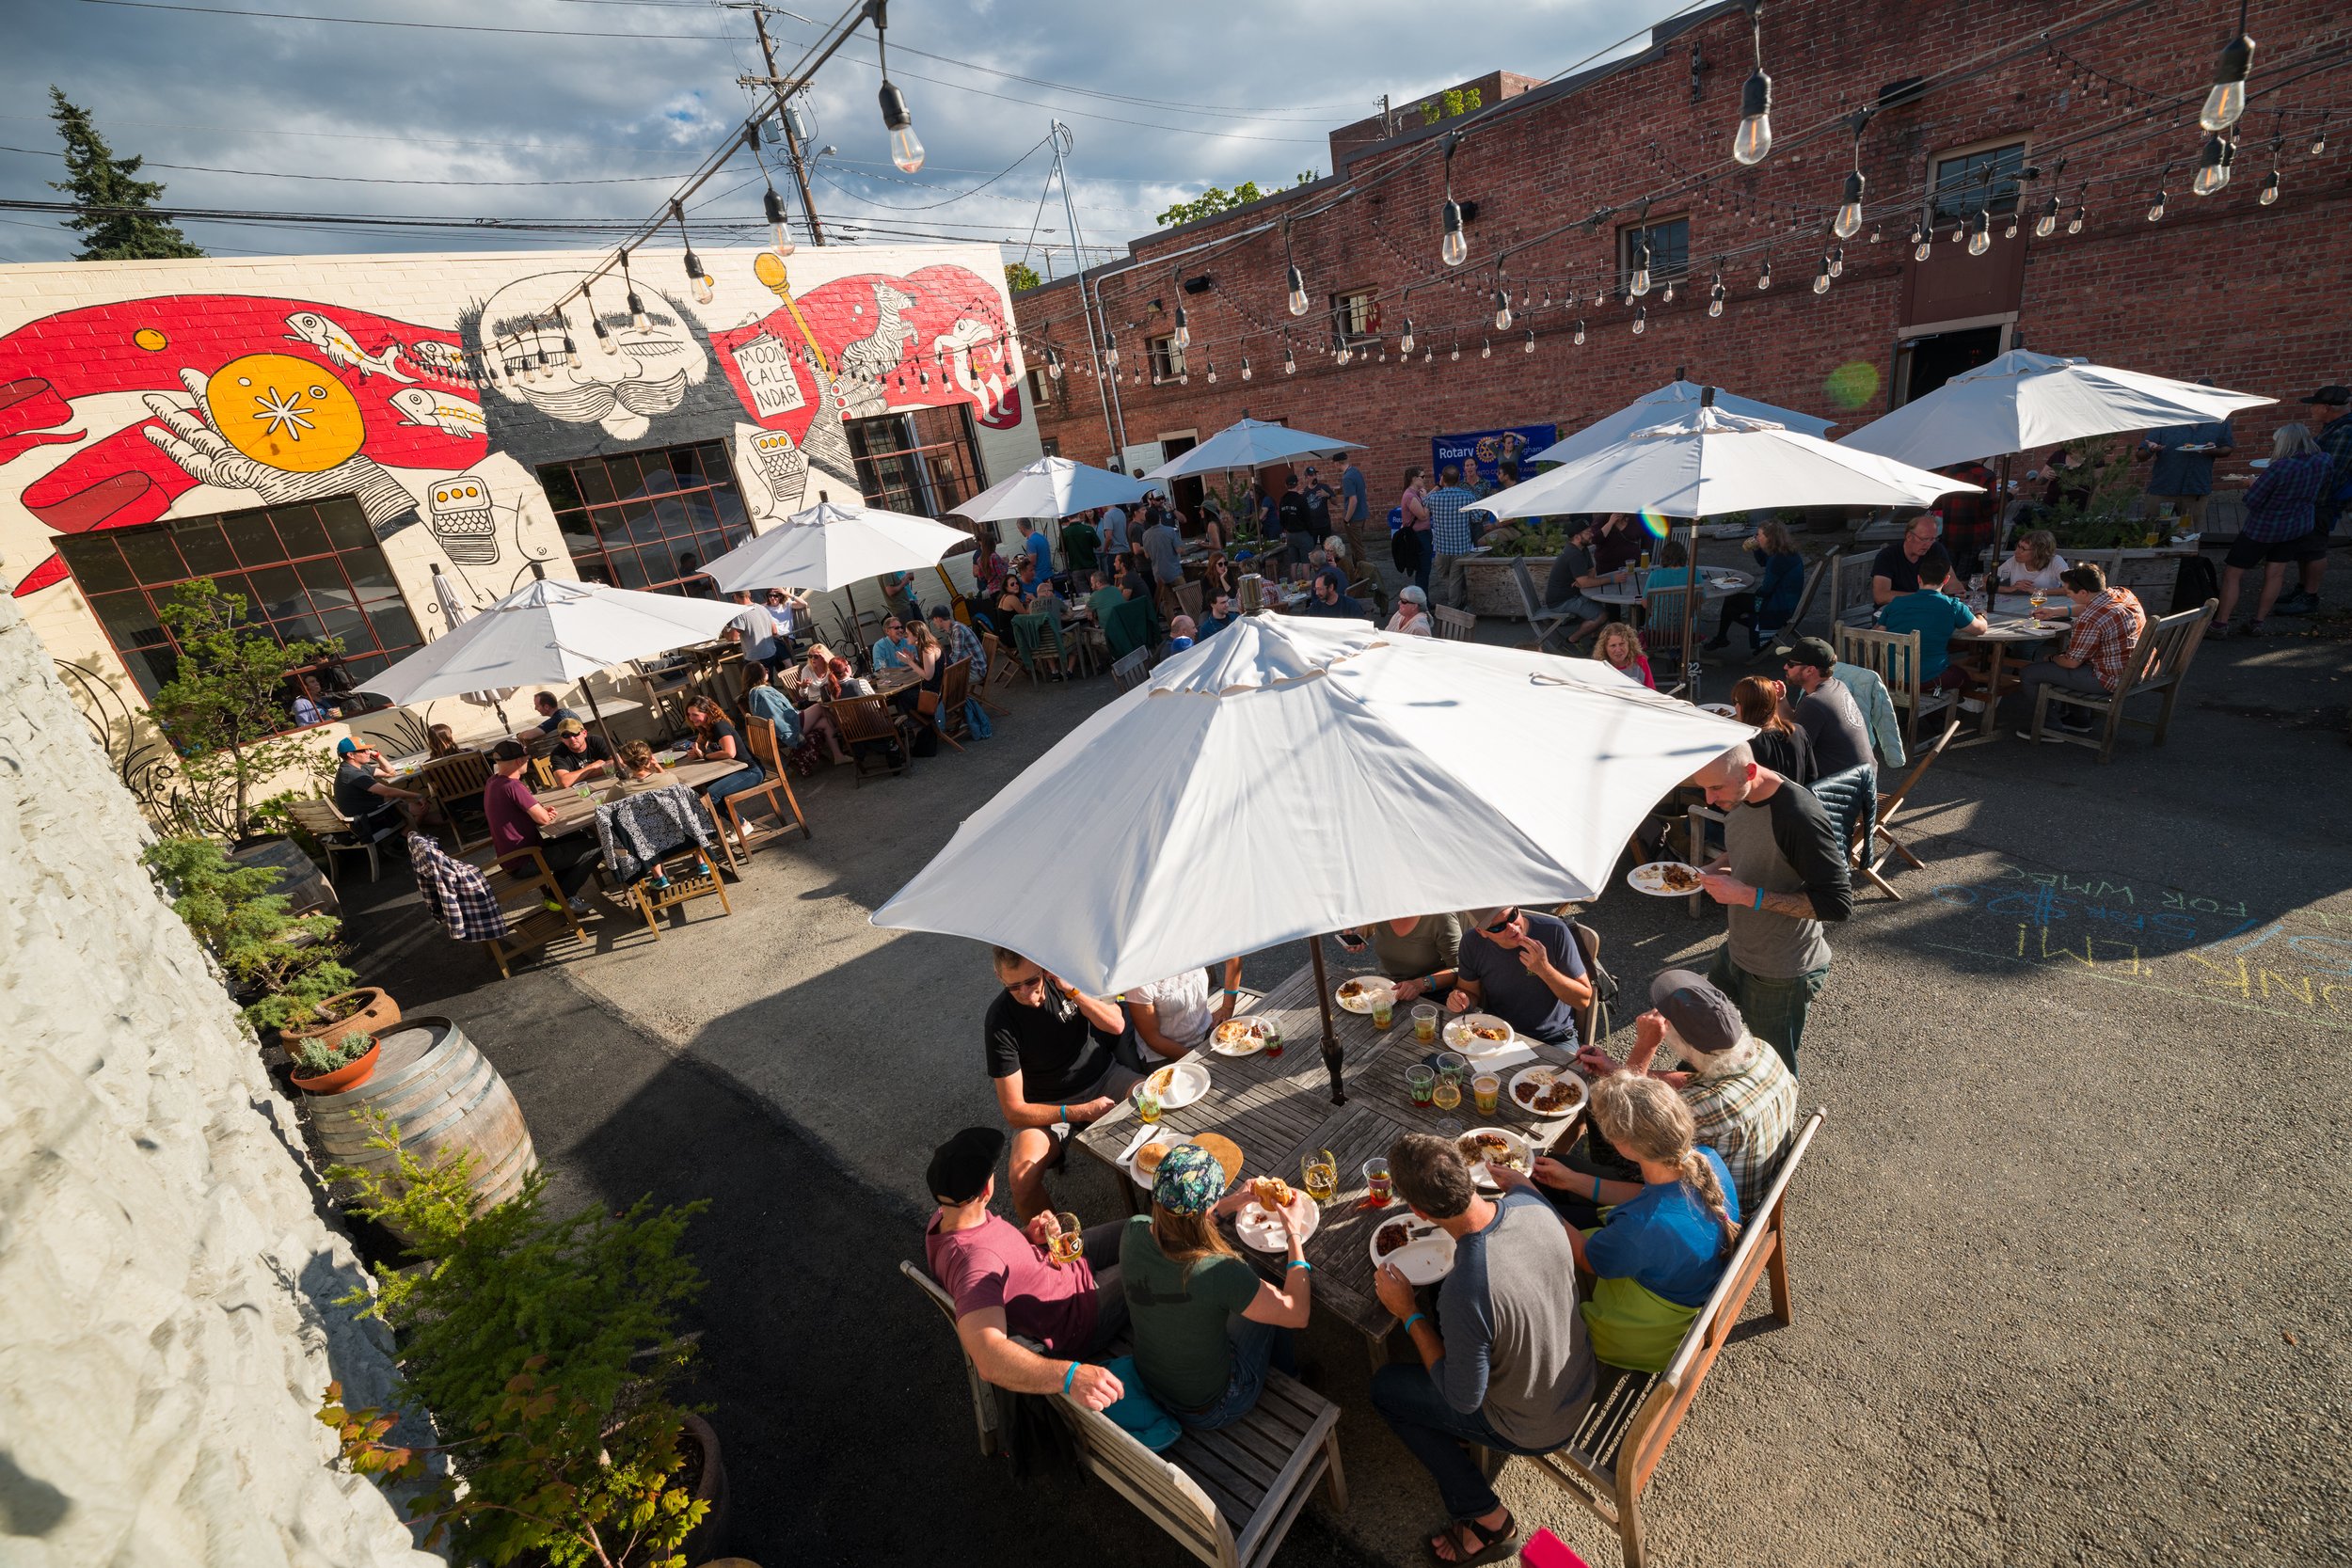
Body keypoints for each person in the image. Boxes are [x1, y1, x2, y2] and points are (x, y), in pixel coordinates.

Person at [1370, 1132, 1593, 1566]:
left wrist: (1408, 1313)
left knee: (1386, 1389)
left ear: (1416, 1211)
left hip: (1533, 1425)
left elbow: (1463, 1397)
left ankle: (1487, 1518)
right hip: (1578, 1378)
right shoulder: (1532, 1206)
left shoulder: (1466, 1289)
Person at [922, 1126, 1129, 1413]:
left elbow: (997, 1256)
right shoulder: (977, 1264)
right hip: (1079, 1313)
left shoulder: (944, 1217)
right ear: (986, 1189)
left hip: (1060, 1261)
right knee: (1154, 1252)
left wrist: (1027, 1237)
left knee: (1138, 1227)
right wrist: (1069, 1376)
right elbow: (988, 1357)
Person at [1561, 971, 1797, 1217]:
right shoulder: (1763, 1050)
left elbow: (1625, 1117)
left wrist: (1644, 1047)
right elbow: (1692, 1080)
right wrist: (1619, 1069)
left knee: (1593, 1122)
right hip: (1756, 1183)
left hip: (1712, 1211)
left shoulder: (1700, 1105)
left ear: (1684, 1047)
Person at [1550, 1074, 1740, 1374]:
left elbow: (1589, 1259)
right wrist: (1573, 1181)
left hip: (1630, 1335)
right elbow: (1646, 1195)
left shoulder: (1641, 1227)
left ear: (1624, 1145)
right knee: (1567, 1187)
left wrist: (1533, 1200)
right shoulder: (1706, 1160)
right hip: (1680, 1298)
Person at [1124, 1140, 1312, 1431]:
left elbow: (1186, 1221)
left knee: (1243, 1294)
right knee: (1272, 1275)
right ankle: (1291, 1375)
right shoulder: (1218, 1271)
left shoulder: (1134, 1229)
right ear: (1206, 1206)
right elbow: (1297, 1312)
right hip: (1213, 1406)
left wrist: (1236, 1202)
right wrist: (1294, 1233)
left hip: (1153, 1380)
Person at [1687, 741, 1851, 1069]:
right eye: (1703, 788)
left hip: (1782, 969)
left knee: (1773, 1069)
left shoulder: (1797, 815)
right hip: (1739, 949)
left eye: (1716, 788)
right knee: (1703, 1035)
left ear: (1750, 771)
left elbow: (1837, 903)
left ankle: (1781, 1121)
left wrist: (1747, 895)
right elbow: (1747, 845)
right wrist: (1708, 870)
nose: (1709, 799)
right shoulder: (1741, 793)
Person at [984, 947, 1140, 1219]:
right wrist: (1078, 1112)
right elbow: (1014, 1111)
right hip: (1049, 1105)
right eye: (1014, 986)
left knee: (1153, 1096)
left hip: (1102, 1076)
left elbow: (1116, 1025)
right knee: (1021, 1178)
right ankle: (1055, 1249)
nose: (1026, 993)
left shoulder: (1066, 982)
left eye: (1032, 981)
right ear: (999, 976)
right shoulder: (999, 1021)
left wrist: (1075, 992)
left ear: (1044, 968)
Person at [2215, 423, 2332, 637]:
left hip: (2264, 529)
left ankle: (2221, 624)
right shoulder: (2323, 460)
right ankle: (2258, 622)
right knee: (2275, 574)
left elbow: (2253, 501)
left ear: (2285, 443)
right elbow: (2323, 487)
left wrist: (2252, 484)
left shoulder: (2278, 468)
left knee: (2233, 573)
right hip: (2297, 526)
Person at [2012, 563, 2148, 736]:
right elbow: (2089, 606)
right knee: (2081, 659)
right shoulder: (2121, 593)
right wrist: (2055, 611)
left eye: (2068, 592)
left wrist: (2052, 658)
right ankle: (2079, 720)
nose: (2067, 595)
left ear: (2083, 592)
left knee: (2030, 673)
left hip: (2112, 680)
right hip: (2139, 669)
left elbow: (2071, 663)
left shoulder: (2090, 619)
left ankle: (2048, 727)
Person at [1447, 905, 1592, 1047]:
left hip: (1553, 1038)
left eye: (1512, 916)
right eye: (1498, 927)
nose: (1511, 927)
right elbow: (1469, 993)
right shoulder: (1472, 942)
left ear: (1517, 907)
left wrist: (1545, 970)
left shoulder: (1555, 931)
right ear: (1482, 932)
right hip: (1496, 1033)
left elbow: (1583, 1001)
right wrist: (1462, 1001)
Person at [482, 737, 598, 911]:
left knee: (580, 836)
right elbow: (543, 819)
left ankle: (557, 894)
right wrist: (542, 813)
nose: (527, 761)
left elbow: (530, 811)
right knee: (597, 846)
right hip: (526, 858)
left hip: (513, 856)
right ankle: (562, 897)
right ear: (518, 761)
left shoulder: (494, 781)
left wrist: (540, 811)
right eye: (526, 758)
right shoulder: (512, 785)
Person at [2279, 384, 2352, 615]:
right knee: (2305, 546)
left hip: (2323, 501)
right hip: (2311, 499)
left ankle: (2310, 596)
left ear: (2327, 407)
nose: (2311, 409)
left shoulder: (2345, 432)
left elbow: (2333, 472)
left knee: (2315, 548)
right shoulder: (2332, 427)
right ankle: (2302, 589)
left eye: (2314, 405)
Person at [1876, 562, 1987, 693]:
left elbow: (1877, 633)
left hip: (1888, 678)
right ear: (1946, 580)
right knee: (1962, 676)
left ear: (1918, 579)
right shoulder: (1953, 606)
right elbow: (1980, 629)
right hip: (1925, 682)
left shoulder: (1896, 603)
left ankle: (1933, 709)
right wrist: (1980, 614)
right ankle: (1942, 708)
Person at [1774, 636, 1874, 777]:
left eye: (1791, 664)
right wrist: (1781, 700)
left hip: (1844, 789)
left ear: (1810, 670)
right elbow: (1796, 729)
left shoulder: (1815, 702)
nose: (1785, 666)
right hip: (1863, 780)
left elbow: (1791, 752)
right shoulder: (1835, 685)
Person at [1708, 517, 1805, 656]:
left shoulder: (1778, 560)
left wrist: (1756, 596)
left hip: (1778, 606)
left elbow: (1766, 589)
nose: (1756, 538)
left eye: (1759, 535)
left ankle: (1752, 635)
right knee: (1733, 604)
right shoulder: (1786, 553)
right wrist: (1756, 548)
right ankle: (1723, 637)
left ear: (1770, 538)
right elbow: (1763, 562)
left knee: (1732, 601)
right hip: (1786, 601)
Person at [2139, 388, 2233, 529]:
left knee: (2188, 535)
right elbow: (2140, 456)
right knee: (2152, 532)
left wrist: (2213, 451)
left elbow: (2228, 448)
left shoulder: (2219, 423)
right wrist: (2150, 449)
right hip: (2163, 489)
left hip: (2196, 490)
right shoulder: (2166, 420)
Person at [683, 696, 766, 846]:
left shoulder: (719, 726)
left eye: (695, 714)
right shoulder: (705, 726)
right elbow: (700, 744)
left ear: (707, 712)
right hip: (735, 770)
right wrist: (697, 751)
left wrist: (705, 756)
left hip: (751, 771)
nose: (691, 718)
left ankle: (742, 825)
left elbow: (730, 753)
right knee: (699, 790)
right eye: (689, 714)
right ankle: (719, 829)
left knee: (711, 795)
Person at [1125, 958, 1245, 1059]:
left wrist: (1227, 1007)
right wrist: (1195, 1059)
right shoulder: (1139, 978)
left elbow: (1233, 957)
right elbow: (1153, 1039)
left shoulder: (1192, 942)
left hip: (1208, 1031)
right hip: (1167, 1055)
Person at [1337, 913, 1460, 1002]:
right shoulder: (1381, 907)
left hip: (1430, 997)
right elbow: (1367, 928)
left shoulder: (1441, 917)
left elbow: (1459, 969)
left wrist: (1421, 984)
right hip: (1384, 988)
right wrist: (1356, 938)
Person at [331, 737, 428, 839]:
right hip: (367, 820)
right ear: (351, 755)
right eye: (364, 750)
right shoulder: (352, 773)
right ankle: (402, 841)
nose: (368, 752)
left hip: (372, 811)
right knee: (420, 810)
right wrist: (418, 795)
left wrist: (377, 755)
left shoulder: (358, 767)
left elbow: (390, 772)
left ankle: (405, 838)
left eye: (368, 749)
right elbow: (387, 792)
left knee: (413, 808)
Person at [1539, 518, 1610, 648]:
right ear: (1577, 537)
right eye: (1588, 532)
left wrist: (1583, 582)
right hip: (1561, 601)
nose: (1592, 535)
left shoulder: (1582, 549)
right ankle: (1572, 640)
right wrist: (1611, 579)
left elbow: (1591, 571)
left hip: (1572, 594)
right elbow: (1585, 582)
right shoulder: (1574, 554)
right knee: (1601, 616)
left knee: (1597, 602)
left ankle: (1595, 637)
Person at [1929, 460, 2001, 586]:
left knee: (1947, 578)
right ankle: (1959, 604)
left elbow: (1935, 503)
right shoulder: (1985, 475)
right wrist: (2008, 496)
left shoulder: (1947, 472)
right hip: (1974, 537)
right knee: (1965, 582)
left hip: (1950, 535)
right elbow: (1990, 509)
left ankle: (1947, 602)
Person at [1729, 675, 1813, 784]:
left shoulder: (1745, 744)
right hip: (1798, 797)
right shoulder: (1798, 731)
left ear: (1744, 706)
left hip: (1764, 800)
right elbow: (1811, 775)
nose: (1735, 706)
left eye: (1736, 701)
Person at [1425, 465, 1481, 610]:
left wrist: (1439, 485)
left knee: (1445, 576)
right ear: (1459, 479)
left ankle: (1453, 605)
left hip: (1441, 548)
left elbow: (1423, 501)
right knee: (1455, 579)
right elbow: (1476, 519)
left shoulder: (1433, 498)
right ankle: (1454, 607)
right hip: (1461, 547)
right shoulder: (1468, 497)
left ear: (1442, 478)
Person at [1870, 515, 1955, 605]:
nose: (1928, 544)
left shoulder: (1936, 549)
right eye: (1924, 539)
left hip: (1927, 607)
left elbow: (1952, 581)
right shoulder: (1888, 556)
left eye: (1932, 539)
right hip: (1896, 610)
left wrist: (1955, 594)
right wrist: (1922, 597)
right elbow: (1881, 596)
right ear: (1909, 536)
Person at [739, 664, 803, 749]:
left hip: (790, 721)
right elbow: (776, 718)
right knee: (819, 708)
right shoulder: (762, 694)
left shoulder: (757, 692)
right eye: (764, 669)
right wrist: (791, 736)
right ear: (757, 674)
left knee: (823, 721)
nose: (767, 671)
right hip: (791, 726)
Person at [1995, 530, 2070, 596]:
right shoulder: (2014, 561)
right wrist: (2009, 589)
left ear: (2038, 552)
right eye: (2018, 546)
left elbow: (2072, 587)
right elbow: (1985, 584)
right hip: (2015, 605)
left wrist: (2038, 591)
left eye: (2023, 549)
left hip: (2047, 606)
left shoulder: (2055, 561)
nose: (2016, 552)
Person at [545, 718, 616, 786]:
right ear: (561, 739)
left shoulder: (597, 741)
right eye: (566, 735)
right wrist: (592, 766)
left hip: (607, 782)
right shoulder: (558, 754)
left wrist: (577, 777)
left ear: (584, 733)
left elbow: (618, 763)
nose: (572, 739)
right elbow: (564, 782)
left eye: (575, 733)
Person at [928, 603, 987, 683]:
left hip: (976, 671)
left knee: (944, 681)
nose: (933, 622)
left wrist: (944, 669)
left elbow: (956, 655)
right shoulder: (952, 629)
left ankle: (964, 696)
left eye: (933, 619)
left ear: (939, 619)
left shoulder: (957, 629)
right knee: (942, 677)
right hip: (971, 667)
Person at [723, 592, 780, 674]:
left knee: (756, 685)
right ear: (749, 594)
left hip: (755, 658)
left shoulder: (740, 614)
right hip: (770, 653)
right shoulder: (762, 608)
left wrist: (724, 630)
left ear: (736, 597)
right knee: (768, 682)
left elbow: (733, 637)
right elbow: (774, 631)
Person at [1590, 622, 1654, 689]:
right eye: (1613, 646)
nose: (1618, 650)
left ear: (1629, 644)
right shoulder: (1599, 666)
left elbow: (1652, 691)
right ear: (1604, 648)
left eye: (1622, 644)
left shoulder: (1640, 661)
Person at [1143, 509, 1185, 606]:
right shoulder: (1170, 531)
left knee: (1168, 604)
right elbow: (1179, 549)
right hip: (1174, 571)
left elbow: (1147, 555)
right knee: (1185, 599)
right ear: (1159, 517)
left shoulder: (1145, 535)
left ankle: (1171, 621)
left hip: (1159, 575)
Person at [1399, 467, 1433, 592]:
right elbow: (1423, 516)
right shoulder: (1409, 495)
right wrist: (1426, 500)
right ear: (1414, 479)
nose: (1425, 479)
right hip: (1418, 536)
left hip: (1423, 534)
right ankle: (1422, 603)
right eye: (1422, 477)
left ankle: (1424, 600)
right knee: (1423, 570)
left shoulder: (1416, 493)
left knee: (1425, 569)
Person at [602, 738, 671, 799]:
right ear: (651, 757)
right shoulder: (669, 778)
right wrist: (657, 766)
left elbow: (604, 810)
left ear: (625, 762)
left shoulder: (620, 789)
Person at [1588, 512, 1646, 577]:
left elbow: (1639, 535)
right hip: (1608, 567)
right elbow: (1595, 539)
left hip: (1632, 564)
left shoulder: (1632, 518)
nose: (1619, 513)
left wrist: (1621, 525)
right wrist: (1610, 523)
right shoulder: (1601, 520)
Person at [1295, 565, 1364, 619]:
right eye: (1316, 589)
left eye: (1320, 589)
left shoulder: (1350, 606)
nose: (1317, 593)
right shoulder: (1315, 607)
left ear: (1331, 587)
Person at [1341, 455, 1370, 561]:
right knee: (1357, 545)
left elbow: (1353, 501)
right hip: (1362, 514)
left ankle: (1363, 574)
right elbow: (1364, 491)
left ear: (1336, 463)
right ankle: (1358, 571)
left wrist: (1346, 519)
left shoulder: (1347, 478)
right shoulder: (1356, 472)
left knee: (1357, 548)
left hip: (1354, 518)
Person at [1061, 510, 1101, 578]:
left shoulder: (1064, 532)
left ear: (1068, 518)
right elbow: (1099, 547)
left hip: (1076, 568)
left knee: (1081, 589)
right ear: (1078, 515)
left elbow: (1062, 552)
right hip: (1091, 565)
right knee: (1095, 588)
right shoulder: (1089, 529)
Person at [1303, 466, 1335, 544]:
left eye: (1315, 474)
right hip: (1312, 527)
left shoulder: (1324, 487)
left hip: (1325, 525)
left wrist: (1328, 495)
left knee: (1327, 549)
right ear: (1306, 478)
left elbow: (1335, 502)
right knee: (1310, 549)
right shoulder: (1304, 492)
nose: (1314, 477)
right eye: (1311, 475)